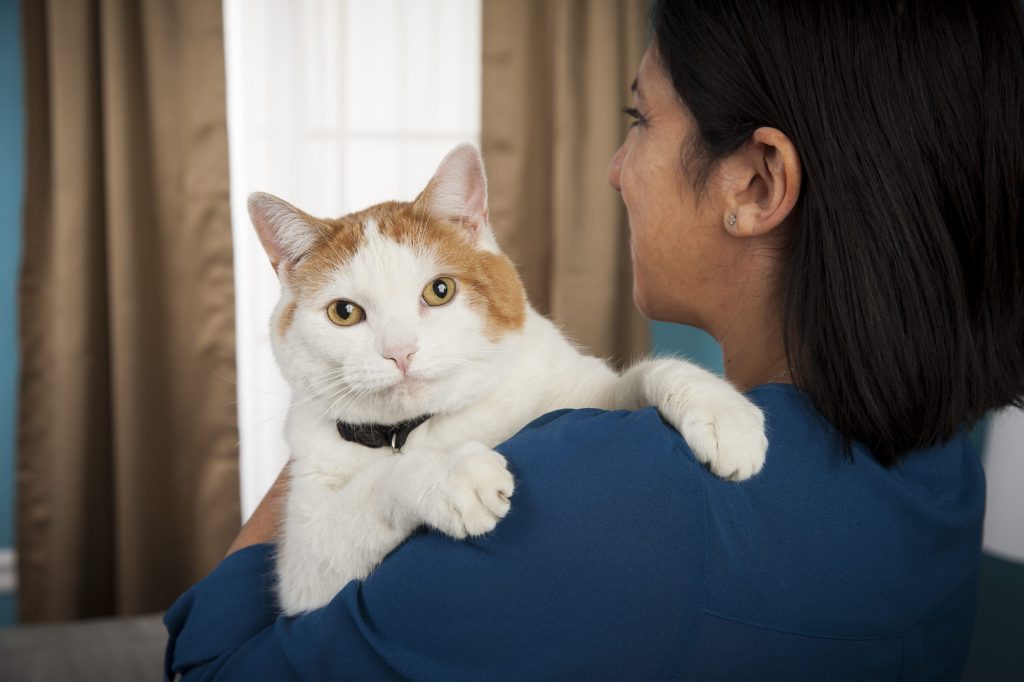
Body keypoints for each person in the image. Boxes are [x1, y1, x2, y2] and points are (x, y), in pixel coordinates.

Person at [164, 1, 1024, 679]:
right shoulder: (942, 467)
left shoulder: (582, 498)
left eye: (639, 118)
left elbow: (209, 668)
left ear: (758, 183)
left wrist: (338, 426)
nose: (615, 166)